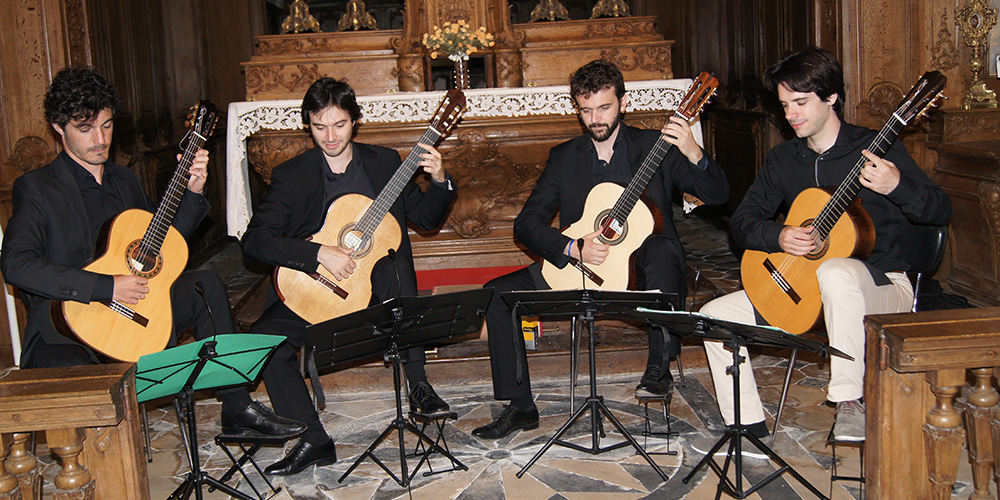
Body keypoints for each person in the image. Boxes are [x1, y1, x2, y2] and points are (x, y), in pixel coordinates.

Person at [0, 66, 304, 440]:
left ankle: (237, 406)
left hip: (136, 315)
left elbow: (158, 250)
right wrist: (106, 286)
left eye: (107, 125)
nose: (100, 139)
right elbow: (16, 265)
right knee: (86, 400)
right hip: (66, 332)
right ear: (58, 127)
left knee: (203, 284)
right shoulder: (37, 188)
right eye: (86, 128)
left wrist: (193, 193)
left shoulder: (124, 179)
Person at [700, 46, 952, 442]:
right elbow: (743, 222)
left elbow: (940, 209)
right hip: (805, 291)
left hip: (882, 286)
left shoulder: (876, 148)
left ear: (831, 96)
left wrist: (897, 186)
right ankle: (746, 430)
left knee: (836, 270)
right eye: (784, 105)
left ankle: (849, 400)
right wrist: (780, 235)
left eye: (800, 102)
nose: (791, 115)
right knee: (714, 319)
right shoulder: (784, 159)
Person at [472, 59, 730, 439]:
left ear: (623, 103)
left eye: (604, 107)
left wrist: (693, 151)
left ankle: (659, 366)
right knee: (496, 295)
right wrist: (571, 246)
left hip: (638, 274)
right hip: (581, 270)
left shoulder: (654, 146)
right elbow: (525, 224)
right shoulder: (565, 156)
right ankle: (520, 407)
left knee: (662, 249)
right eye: (586, 109)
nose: (595, 118)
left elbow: (718, 195)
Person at [241, 77, 456, 475]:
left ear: (355, 121)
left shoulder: (385, 163)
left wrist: (440, 179)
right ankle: (314, 440)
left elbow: (425, 219)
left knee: (393, 263)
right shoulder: (293, 175)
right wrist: (318, 252)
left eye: (339, 124)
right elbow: (254, 241)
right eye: (319, 126)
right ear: (307, 124)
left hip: (374, 298)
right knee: (263, 341)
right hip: (314, 293)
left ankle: (418, 382)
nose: (329, 136)